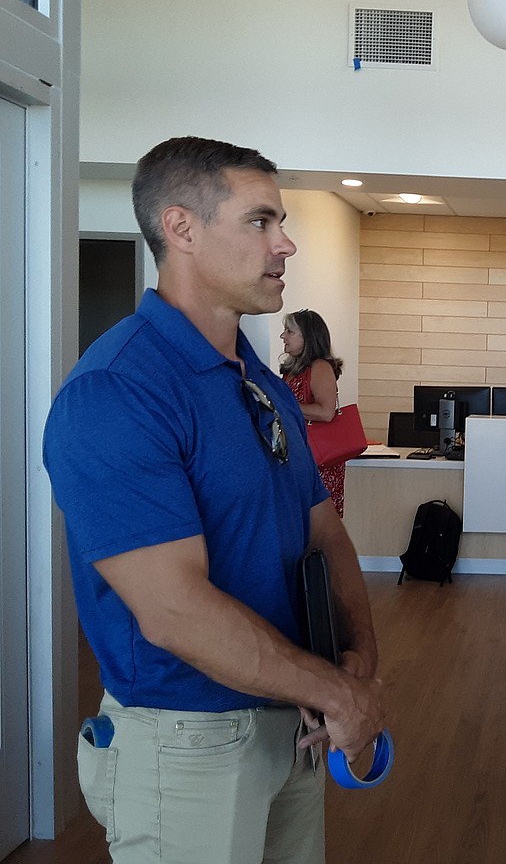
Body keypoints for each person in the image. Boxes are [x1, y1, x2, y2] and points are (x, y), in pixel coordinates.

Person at [43, 136, 386, 864]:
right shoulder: (116, 391)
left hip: (292, 720)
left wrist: (356, 662)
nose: (285, 244)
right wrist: (333, 688)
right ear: (181, 228)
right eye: (261, 222)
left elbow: (325, 534)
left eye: (281, 221)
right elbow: (172, 610)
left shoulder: (257, 379)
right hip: (188, 743)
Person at [281, 309, 347, 517]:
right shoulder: (292, 370)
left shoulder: (320, 367)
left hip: (318, 462)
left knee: (317, 527)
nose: (283, 336)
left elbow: (326, 412)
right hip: (297, 457)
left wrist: (283, 406)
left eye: (289, 331)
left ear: (307, 337)